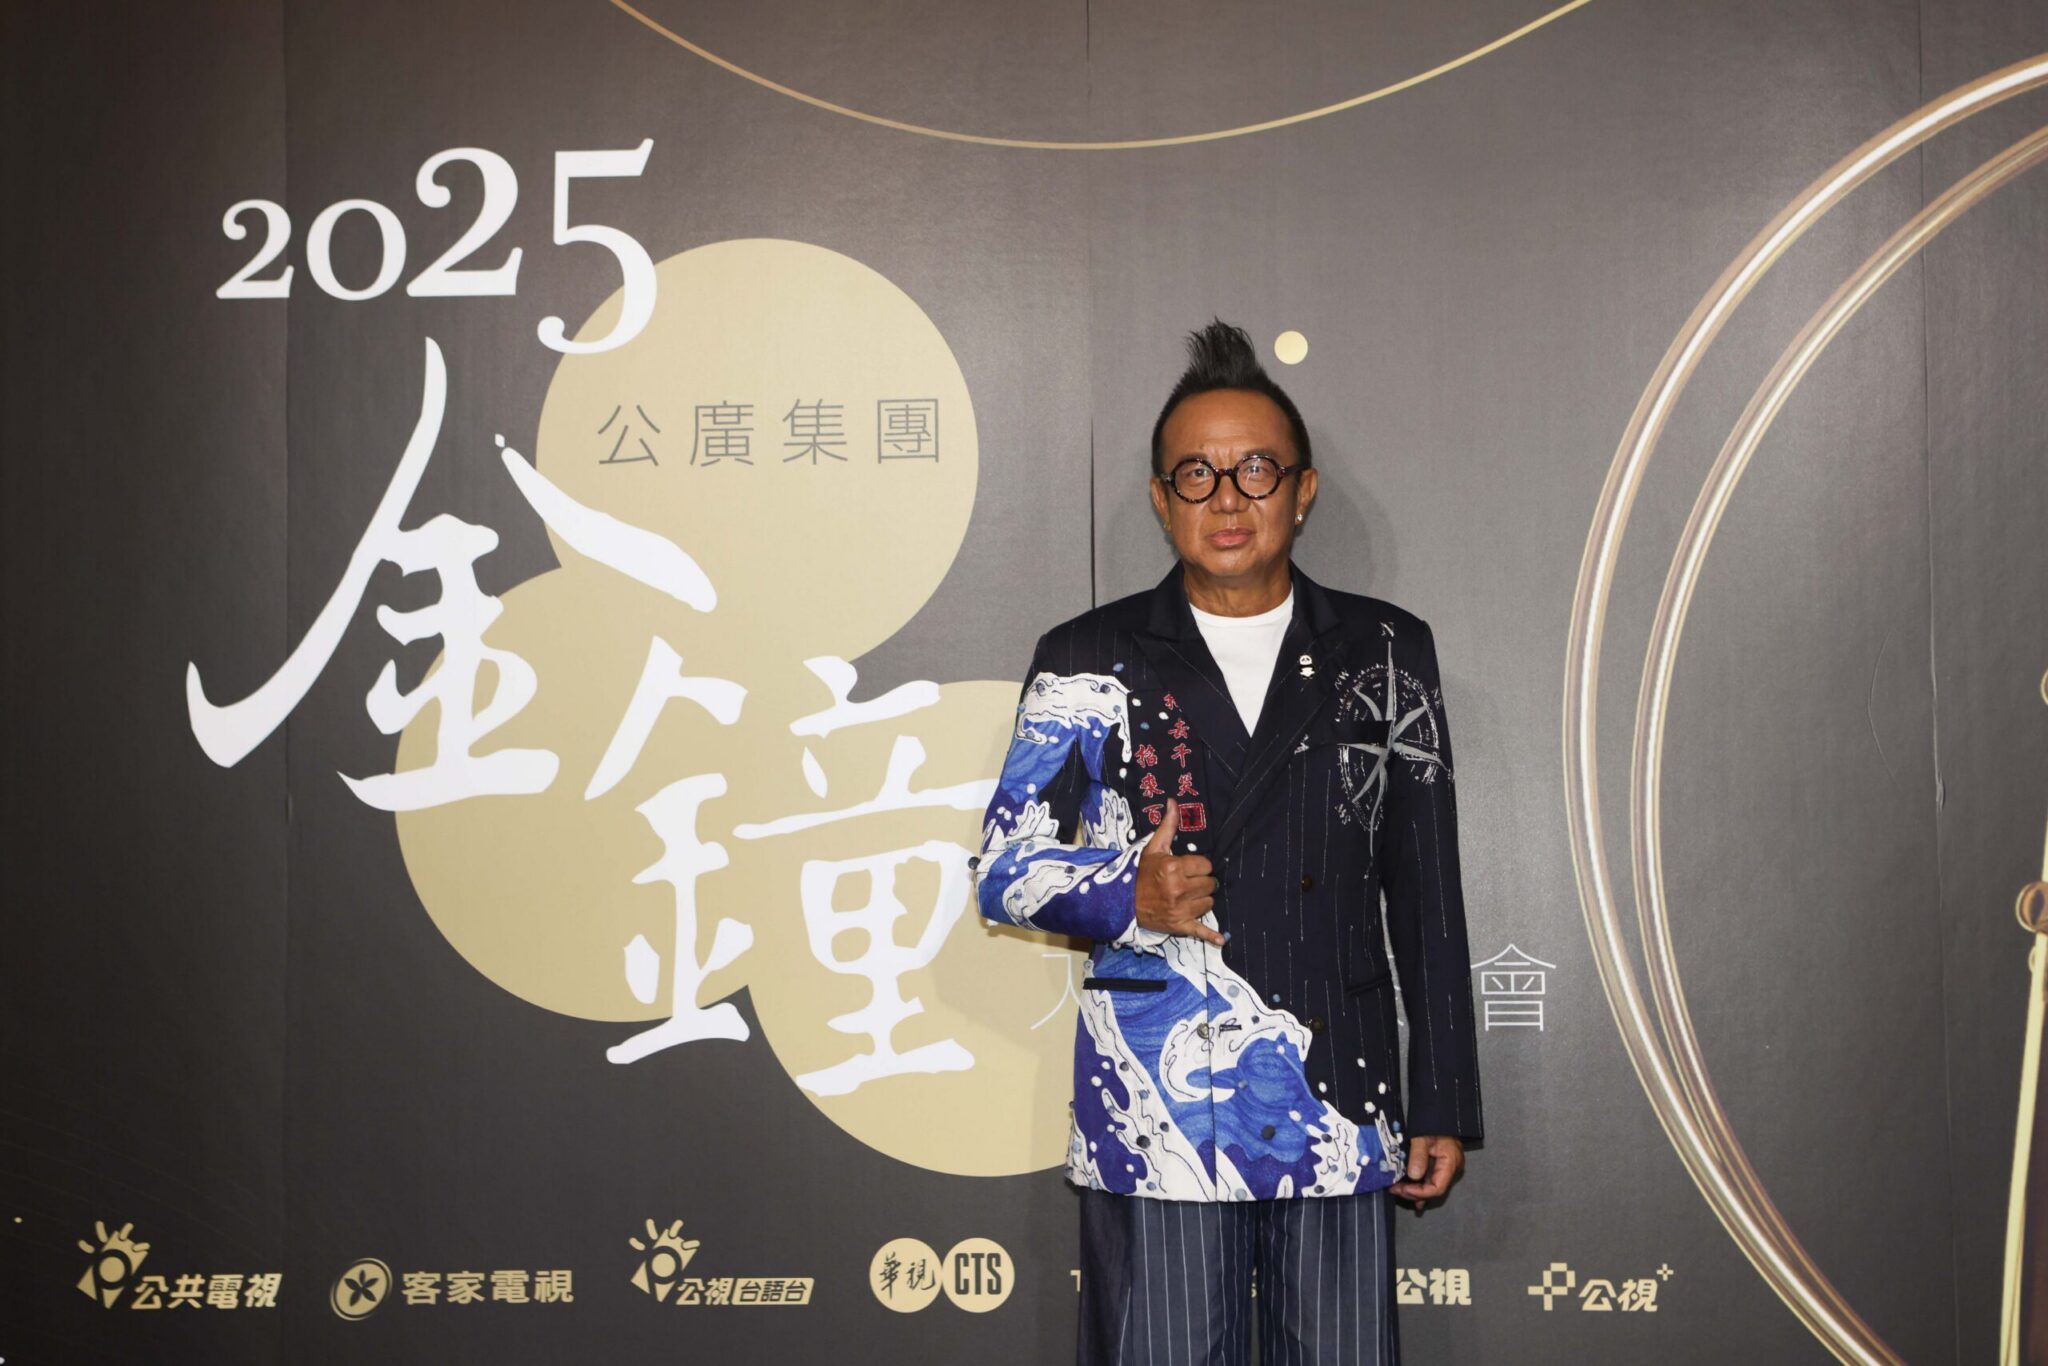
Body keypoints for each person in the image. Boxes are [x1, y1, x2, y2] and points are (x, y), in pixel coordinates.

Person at [970, 320, 1483, 1364]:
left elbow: (1426, 892)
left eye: (1255, 470)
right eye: (1195, 475)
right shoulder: (1085, 655)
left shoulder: (1386, 650)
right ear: (1161, 500)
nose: (1227, 499)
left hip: (1332, 1093)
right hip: (1157, 1101)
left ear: (1302, 489)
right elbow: (1002, 869)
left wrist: (1440, 1098)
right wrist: (1125, 893)